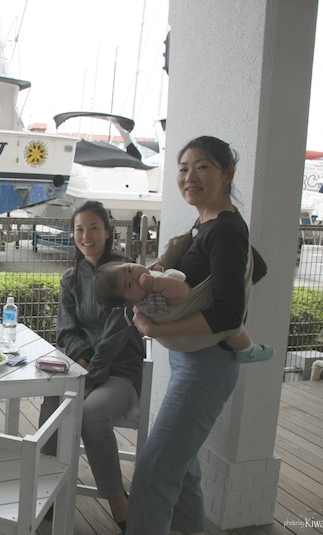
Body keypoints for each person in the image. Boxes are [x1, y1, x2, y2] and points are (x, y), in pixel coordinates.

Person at [126, 136, 267, 534]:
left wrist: (157, 327)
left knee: (154, 474)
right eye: (183, 168)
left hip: (207, 366)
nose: (190, 177)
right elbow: (257, 268)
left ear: (228, 174)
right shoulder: (210, 225)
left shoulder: (225, 230)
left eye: (202, 167)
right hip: (195, 362)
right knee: (183, 469)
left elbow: (228, 314)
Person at [38, 200, 144, 532]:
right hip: (84, 368)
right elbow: (66, 330)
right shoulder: (71, 278)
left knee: (92, 414)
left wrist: (92, 378)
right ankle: (46, 492)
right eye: (79, 229)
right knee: (52, 404)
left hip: (121, 372)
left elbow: (115, 336)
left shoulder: (126, 273)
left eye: (94, 228)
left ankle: (118, 501)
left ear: (108, 232)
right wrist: (82, 362)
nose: (86, 236)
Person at [94, 261, 275, 360]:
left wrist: (157, 273)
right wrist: (156, 282)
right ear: (129, 302)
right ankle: (248, 350)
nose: (135, 276)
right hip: (201, 319)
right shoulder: (151, 302)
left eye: (129, 268)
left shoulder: (143, 288)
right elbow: (182, 293)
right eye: (129, 285)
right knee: (233, 329)